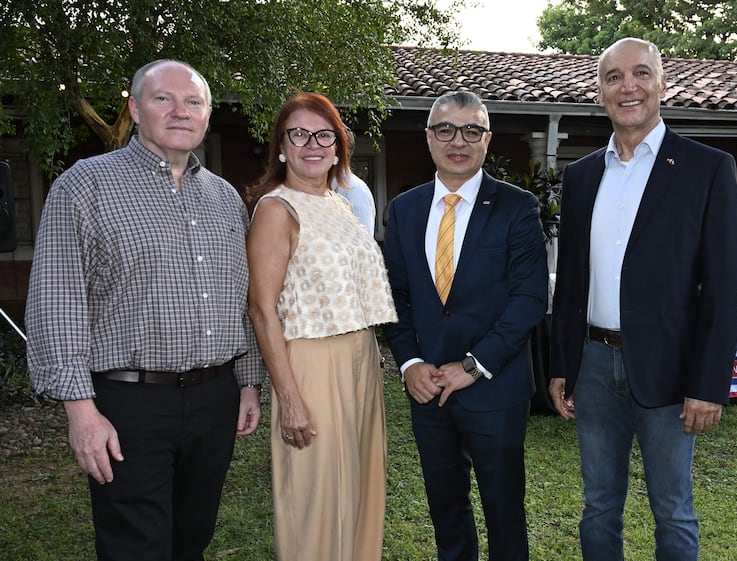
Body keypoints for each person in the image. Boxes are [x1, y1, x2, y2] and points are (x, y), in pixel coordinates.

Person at [24, 59, 265, 561]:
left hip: (214, 400)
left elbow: (241, 300)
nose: (181, 111)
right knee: (136, 546)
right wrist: (81, 412)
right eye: (163, 99)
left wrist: (247, 381)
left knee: (191, 539)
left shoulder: (225, 200)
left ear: (207, 114)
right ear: (135, 109)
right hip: (129, 404)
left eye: (193, 102)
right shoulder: (84, 186)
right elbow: (56, 301)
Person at [548, 38, 737, 561]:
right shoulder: (581, 176)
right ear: (600, 92)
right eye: (614, 77)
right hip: (591, 366)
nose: (627, 86)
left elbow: (724, 290)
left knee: (674, 509)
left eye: (640, 74)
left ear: (661, 83)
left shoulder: (708, 169)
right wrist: (562, 362)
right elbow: (570, 282)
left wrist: (709, 385)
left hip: (672, 370)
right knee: (598, 507)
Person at [383, 90, 548, 561]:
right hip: (427, 388)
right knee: (446, 507)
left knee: (503, 510)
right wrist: (410, 362)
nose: (459, 140)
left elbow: (530, 297)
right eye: (446, 129)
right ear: (429, 138)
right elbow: (395, 294)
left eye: (471, 130)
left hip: (494, 387)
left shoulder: (517, 207)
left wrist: (474, 365)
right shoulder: (406, 208)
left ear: (487, 139)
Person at [245, 92, 397, 561]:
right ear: (281, 146)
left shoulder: (340, 204)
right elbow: (261, 310)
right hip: (310, 360)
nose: (312, 144)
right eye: (299, 134)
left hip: (361, 357)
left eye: (324, 134)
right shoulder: (277, 209)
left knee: (360, 485)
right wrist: (289, 397)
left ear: (338, 146)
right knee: (317, 496)